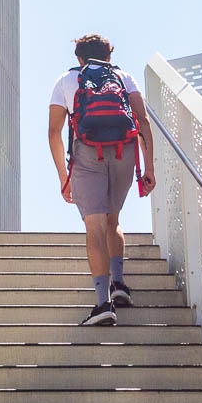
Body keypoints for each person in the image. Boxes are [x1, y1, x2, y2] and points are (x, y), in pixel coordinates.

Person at [48, 34, 153, 326]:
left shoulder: (66, 81)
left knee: (94, 226)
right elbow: (142, 121)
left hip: (87, 153)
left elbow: (53, 132)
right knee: (113, 220)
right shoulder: (123, 77)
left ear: (79, 58)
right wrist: (149, 168)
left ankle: (103, 303)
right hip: (125, 151)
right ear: (108, 56)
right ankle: (119, 284)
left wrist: (64, 178)